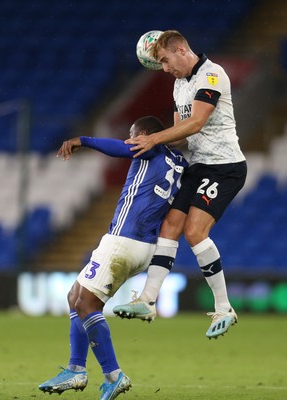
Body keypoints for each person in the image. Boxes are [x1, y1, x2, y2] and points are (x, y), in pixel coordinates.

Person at [38, 116, 188, 399]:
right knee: (75, 296)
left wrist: (82, 140)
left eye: (133, 135)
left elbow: (118, 148)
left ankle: (113, 375)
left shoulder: (149, 147)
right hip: (143, 245)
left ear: (144, 134)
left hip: (125, 240)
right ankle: (75, 368)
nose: (130, 140)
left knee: (87, 304)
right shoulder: (178, 161)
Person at [113, 30, 247, 340]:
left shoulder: (212, 75)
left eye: (164, 60)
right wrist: (157, 149)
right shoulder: (178, 85)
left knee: (194, 232)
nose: (164, 68)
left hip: (224, 167)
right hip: (199, 165)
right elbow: (183, 134)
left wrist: (153, 139)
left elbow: (197, 122)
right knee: (169, 227)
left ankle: (224, 307)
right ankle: (147, 300)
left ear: (181, 49)